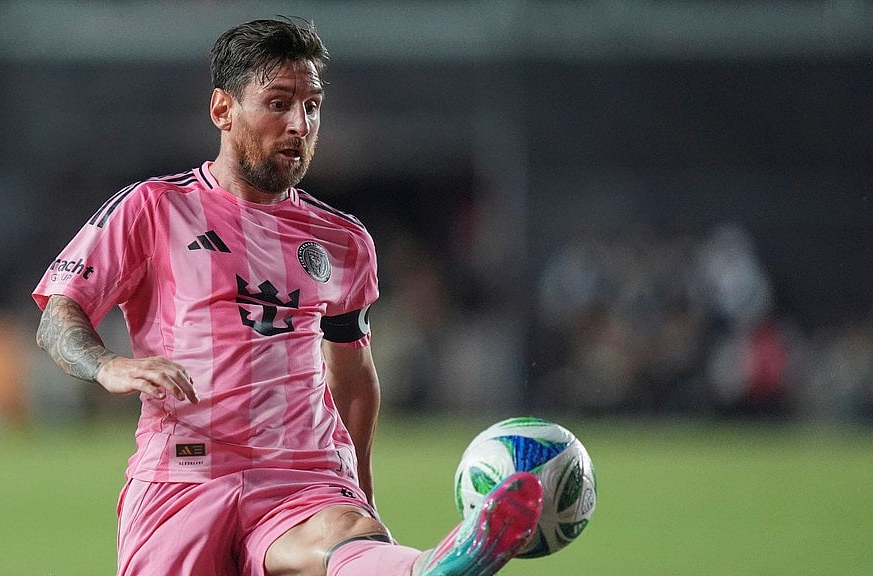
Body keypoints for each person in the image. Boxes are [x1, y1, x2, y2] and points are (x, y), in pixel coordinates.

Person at [33, 17, 543, 576]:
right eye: (278, 103)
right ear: (223, 110)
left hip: (302, 474)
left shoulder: (344, 241)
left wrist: (360, 492)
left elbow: (352, 374)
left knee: (344, 538)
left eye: (313, 105)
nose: (301, 124)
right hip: (184, 473)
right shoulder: (153, 208)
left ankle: (426, 568)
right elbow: (60, 314)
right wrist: (106, 365)